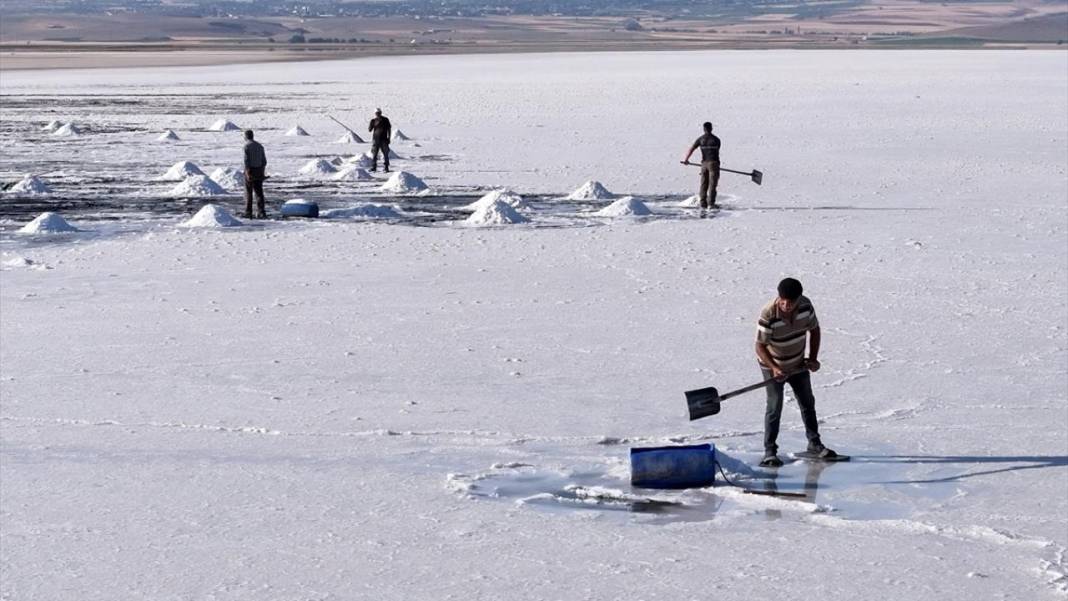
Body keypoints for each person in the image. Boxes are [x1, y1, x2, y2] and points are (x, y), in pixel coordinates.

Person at [754, 278, 837, 467]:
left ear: (798, 299)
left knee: (807, 402)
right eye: (783, 301)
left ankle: (814, 443)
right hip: (772, 365)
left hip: (797, 364)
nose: (786, 305)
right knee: (774, 406)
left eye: (790, 302)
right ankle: (770, 452)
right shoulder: (768, 313)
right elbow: (759, 347)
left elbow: (814, 330)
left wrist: (812, 358)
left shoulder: (805, 306)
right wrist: (775, 368)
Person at [681, 122, 721, 209]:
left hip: (704, 164)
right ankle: (711, 203)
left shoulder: (700, 139)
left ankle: (703, 203)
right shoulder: (716, 139)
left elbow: (691, 149)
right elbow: (717, 151)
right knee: (712, 184)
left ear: (704, 129)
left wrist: (686, 159)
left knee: (703, 184)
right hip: (713, 163)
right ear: (711, 128)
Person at [242, 129, 268, 219]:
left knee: (248, 192)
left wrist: (247, 172)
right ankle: (261, 211)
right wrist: (262, 172)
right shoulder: (260, 146)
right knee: (259, 192)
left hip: (250, 170)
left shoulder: (246, 146)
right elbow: (264, 161)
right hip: (259, 170)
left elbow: (246, 161)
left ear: (246, 136)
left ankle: (248, 212)